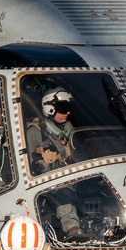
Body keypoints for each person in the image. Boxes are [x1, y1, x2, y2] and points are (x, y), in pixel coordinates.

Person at [25, 88, 82, 236]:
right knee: (62, 193)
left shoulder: (69, 132)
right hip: (46, 185)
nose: (68, 113)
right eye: (63, 109)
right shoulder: (34, 132)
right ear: (50, 109)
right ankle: (72, 228)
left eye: (69, 108)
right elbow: (27, 167)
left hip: (70, 180)